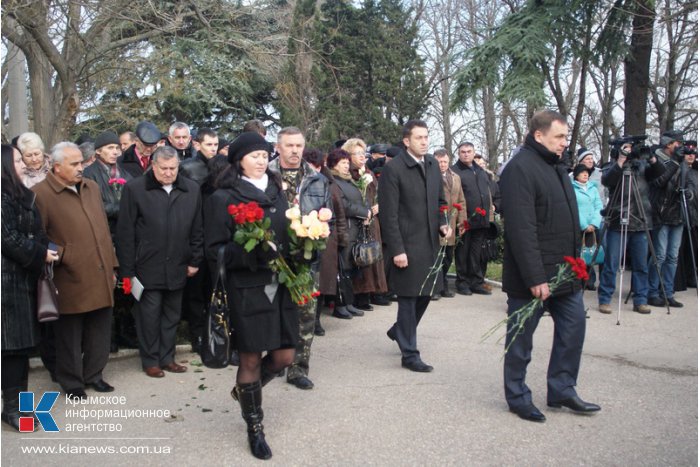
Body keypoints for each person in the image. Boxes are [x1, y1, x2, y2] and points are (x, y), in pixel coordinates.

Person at [499, 110, 600, 423]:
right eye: (559, 137)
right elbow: (521, 228)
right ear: (538, 134)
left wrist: (577, 266)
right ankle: (517, 396)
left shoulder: (557, 167)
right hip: (533, 277)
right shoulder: (519, 169)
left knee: (573, 329)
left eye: (566, 137)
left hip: (565, 272)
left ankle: (562, 389)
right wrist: (535, 276)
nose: (563, 143)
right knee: (521, 340)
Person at [204, 132, 298, 460]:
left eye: (264, 155)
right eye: (254, 155)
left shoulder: (277, 190)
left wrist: (307, 243)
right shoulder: (222, 197)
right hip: (247, 289)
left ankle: (244, 390)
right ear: (239, 160)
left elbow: (288, 233)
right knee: (249, 359)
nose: (261, 160)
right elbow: (214, 251)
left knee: (285, 356)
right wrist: (251, 254)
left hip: (282, 284)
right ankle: (254, 427)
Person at [32, 142, 118, 399]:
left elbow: (103, 229)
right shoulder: (41, 193)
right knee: (69, 333)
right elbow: (38, 236)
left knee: (100, 328)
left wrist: (112, 265)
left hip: (100, 270)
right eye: (75, 164)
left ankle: (94, 374)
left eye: (82, 162)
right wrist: (65, 254)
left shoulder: (91, 188)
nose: (81, 167)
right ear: (57, 167)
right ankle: (71, 382)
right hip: (67, 274)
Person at [116, 146, 203, 378]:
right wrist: (127, 270)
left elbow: (197, 228)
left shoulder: (191, 190)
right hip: (147, 265)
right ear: (153, 166)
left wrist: (195, 259)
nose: (168, 173)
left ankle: (167, 358)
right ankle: (150, 360)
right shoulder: (136, 189)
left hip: (178, 263)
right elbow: (125, 232)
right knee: (149, 316)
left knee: (172, 315)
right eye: (163, 168)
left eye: (172, 168)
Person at [379, 120, 449, 373]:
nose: (424, 141)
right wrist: (397, 249)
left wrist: (443, 222)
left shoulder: (431, 164)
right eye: (419, 137)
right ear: (406, 141)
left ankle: (400, 330)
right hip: (407, 243)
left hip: (430, 242)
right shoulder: (394, 169)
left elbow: (441, 200)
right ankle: (409, 354)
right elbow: (388, 214)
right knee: (408, 298)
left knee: (428, 291)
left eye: (426, 137)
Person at [268, 127, 331, 390]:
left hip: (305, 258)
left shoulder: (317, 179)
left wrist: (316, 233)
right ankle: (272, 361)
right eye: (289, 145)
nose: (295, 150)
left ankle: (298, 368)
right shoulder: (264, 174)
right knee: (270, 311)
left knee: (305, 315)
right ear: (278, 147)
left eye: (299, 145)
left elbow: (328, 215)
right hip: (272, 257)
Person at [1, 145, 58, 430]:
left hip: (23, 281)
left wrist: (47, 247)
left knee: (20, 350)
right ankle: (13, 410)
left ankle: (18, 407)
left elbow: (35, 230)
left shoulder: (22, 194)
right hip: (5, 286)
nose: (24, 163)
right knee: (12, 350)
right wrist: (40, 254)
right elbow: (7, 238)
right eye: (17, 160)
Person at [598, 140, 666, 314]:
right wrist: (621, 160)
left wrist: (651, 157)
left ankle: (640, 300)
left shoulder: (642, 167)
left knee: (641, 265)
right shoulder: (613, 166)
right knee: (612, 263)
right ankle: (605, 299)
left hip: (640, 221)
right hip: (617, 221)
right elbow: (607, 181)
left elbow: (661, 173)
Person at [83, 131, 137, 353]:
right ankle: (108, 337)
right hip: (101, 237)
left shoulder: (126, 173)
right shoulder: (89, 174)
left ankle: (125, 332)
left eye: (117, 148)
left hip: (123, 237)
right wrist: (120, 209)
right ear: (98, 151)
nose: (115, 152)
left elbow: (134, 201)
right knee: (104, 288)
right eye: (109, 148)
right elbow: (93, 206)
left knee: (123, 286)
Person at [179, 128, 220, 352]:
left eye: (215, 144)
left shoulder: (221, 166)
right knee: (195, 292)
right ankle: (198, 336)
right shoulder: (187, 168)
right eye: (209, 144)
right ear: (197, 145)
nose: (213, 149)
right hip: (195, 235)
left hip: (215, 234)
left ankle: (213, 332)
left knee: (212, 291)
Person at [342, 138, 389, 308]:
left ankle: (372, 292)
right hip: (356, 221)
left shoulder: (368, 172)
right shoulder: (347, 174)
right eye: (357, 153)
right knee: (357, 256)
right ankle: (358, 296)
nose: (362, 157)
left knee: (372, 255)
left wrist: (377, 205)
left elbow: (377, 193)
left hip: (372, 220)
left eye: (364, 153)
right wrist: (363, 211)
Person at [327, 148, 372, 318]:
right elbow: (343, 205)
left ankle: (349, 302)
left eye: (347, 163)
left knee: (351, 267)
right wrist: (363, 212)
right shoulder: (333, 182)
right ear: (333, 165)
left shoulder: (350, 181)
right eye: (342, 163)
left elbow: (361, 199)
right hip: (344, 227)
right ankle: (340, 304)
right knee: (342, 268)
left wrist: (367, 210)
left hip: (356, 228)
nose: (346, 166)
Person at [647, 131, 686, 308]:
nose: (681, 146)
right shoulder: (657, 159)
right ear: (669, 144)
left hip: (677, 213)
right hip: (661, 213)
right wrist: (676, 163)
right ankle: (652, 291)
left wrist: (690, 194)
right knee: (660, 255)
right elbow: (659, 183)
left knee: (673, 256)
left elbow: (686, 185)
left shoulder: (682, 161)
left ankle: (668, 292)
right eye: (678, 143)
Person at [314, 150, 350, 330]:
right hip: (306, 234)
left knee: (323, 280)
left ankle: (316, 320)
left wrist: (342, 238)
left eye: (317, 165)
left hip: (327, 237)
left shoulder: (330, 185)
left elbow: (339, 214)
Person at [452, 142, 493, 296]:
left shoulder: (481, 171)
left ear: (474, 152)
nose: (466, 154)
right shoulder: (455, 172)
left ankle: (476, 281)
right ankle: (462, 282)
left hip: (481, 220)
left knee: (476, 253)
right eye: (463, 152)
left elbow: (487, 194)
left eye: (469, 151)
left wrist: (489, 216)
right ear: (459, 154)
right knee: (463, 252)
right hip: (465, 220)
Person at [434, 149, 467, 298]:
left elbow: (461, 201)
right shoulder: (429, 176)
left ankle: (443, 284)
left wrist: (462, 222)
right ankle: (436, 287)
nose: (442, 164)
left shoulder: (456, 177)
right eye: (439, 161)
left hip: (452, 222)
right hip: (436, 221)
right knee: (436, 256)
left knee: (448, 256)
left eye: (445, 162)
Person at [572, 164, 603, 290]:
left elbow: (598, 206)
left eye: (587, 172)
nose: (586, 174)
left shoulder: (593, 188)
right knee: (580, 254)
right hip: (580, 226)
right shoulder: (572, 188)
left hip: (593, 227)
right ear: (576, 175)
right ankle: (577, 279)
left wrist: (594, 223)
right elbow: (575, 208)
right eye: (582, 173)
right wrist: (584, 225)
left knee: (591, 252)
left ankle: (589, 280)